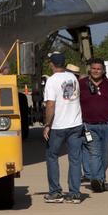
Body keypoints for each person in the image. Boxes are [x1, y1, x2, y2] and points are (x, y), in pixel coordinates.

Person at [43, 52, 85, 204]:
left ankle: (55, 192)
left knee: (52, 156)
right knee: (75, 159)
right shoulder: (73, 78)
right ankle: (74, 194)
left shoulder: (52, 81)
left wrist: (47, 124)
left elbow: (51, 104)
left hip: (59, 125)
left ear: (51, 64)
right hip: (75, 123)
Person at [79, 59, 108, 193]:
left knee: (105, 155)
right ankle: (96, 179)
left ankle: (100, 180)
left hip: (107, 125)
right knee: (94, 153)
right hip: (89, 126)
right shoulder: (81, 84)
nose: (96, 71)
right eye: (93, 68)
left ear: (103, 71)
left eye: (98, 69)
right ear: (89, 70)